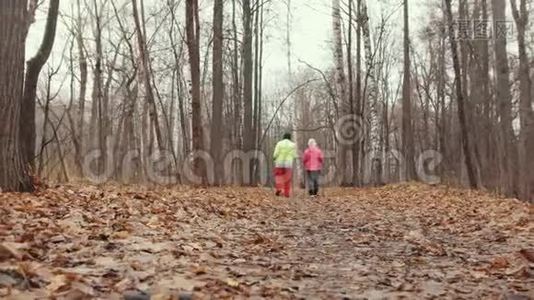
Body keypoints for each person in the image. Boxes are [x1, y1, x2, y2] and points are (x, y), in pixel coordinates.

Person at [273, 132, 297, 197]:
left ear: (283, 137)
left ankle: (279, 189)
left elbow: (276, 153)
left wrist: (274, 158)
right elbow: (294, 155)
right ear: (290, 137)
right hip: (288, 164)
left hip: (279, 163)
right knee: (287, 179)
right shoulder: (293, 145)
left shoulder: (279, 143)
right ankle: (286, 193)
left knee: (279, 177)